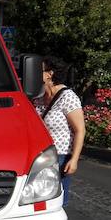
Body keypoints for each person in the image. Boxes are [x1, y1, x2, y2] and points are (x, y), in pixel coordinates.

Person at [33, 56, 86, 205]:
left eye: (39, 70)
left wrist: (74, 159)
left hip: (60, 157)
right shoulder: (38, 97)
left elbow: (80, 130)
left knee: (56, 202)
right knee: (38, 200)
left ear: (50, 74)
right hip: (39, 157)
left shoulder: (68, 97)